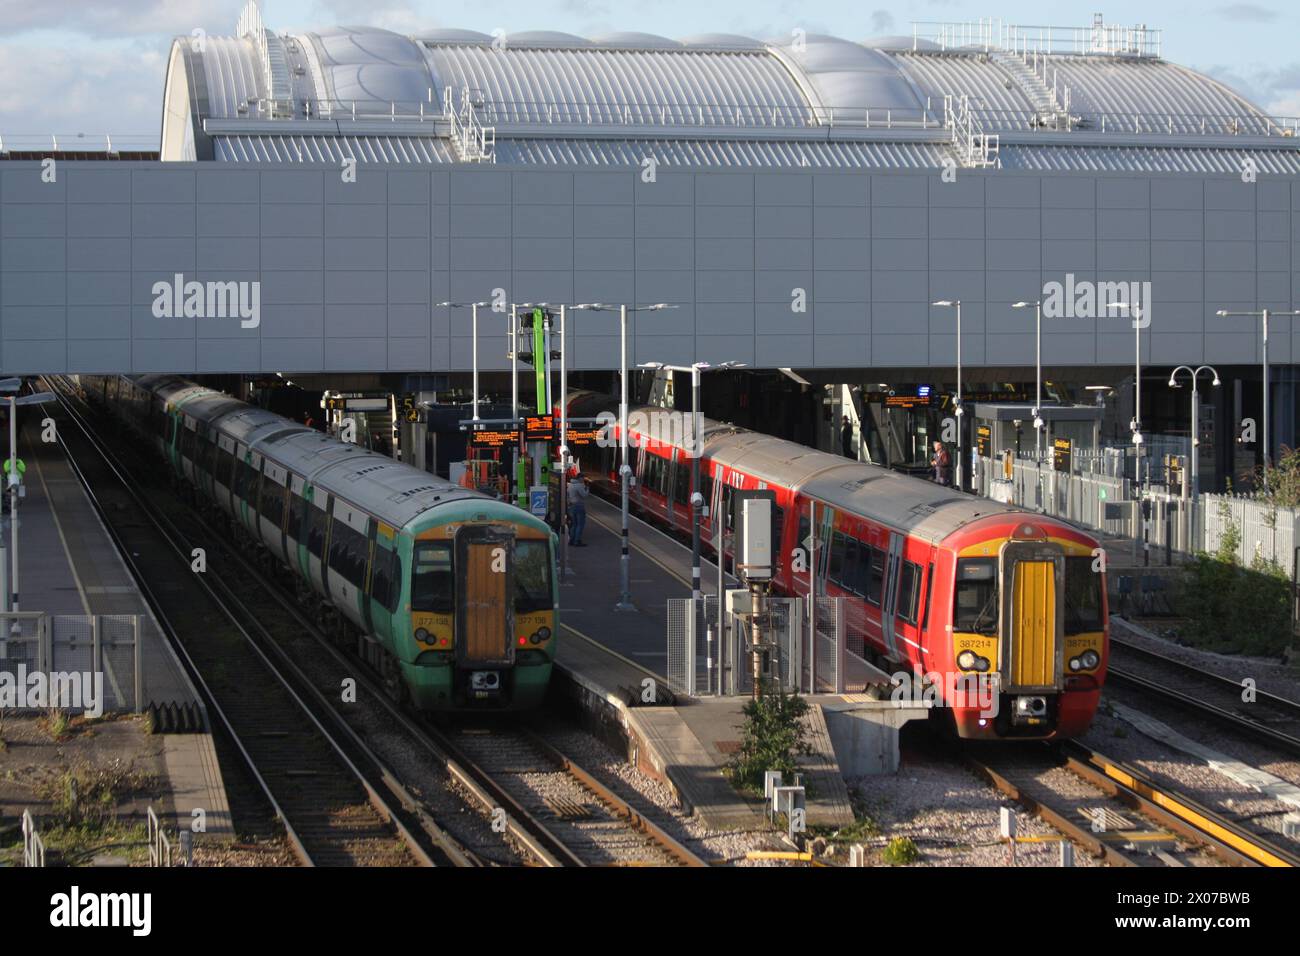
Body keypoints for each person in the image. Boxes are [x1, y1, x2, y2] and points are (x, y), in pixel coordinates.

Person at [567, 469, 589, 546]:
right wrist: (587, 489)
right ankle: (577, 541)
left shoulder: (570, 485)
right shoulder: (579, 485)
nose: (583, 480)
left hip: (572, 506)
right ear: (580, 478)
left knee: (574, 524)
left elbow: (567, 495)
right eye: (583, 478)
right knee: (580, 524)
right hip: (579, 506)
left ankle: (571, 540)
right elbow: (584, 495)